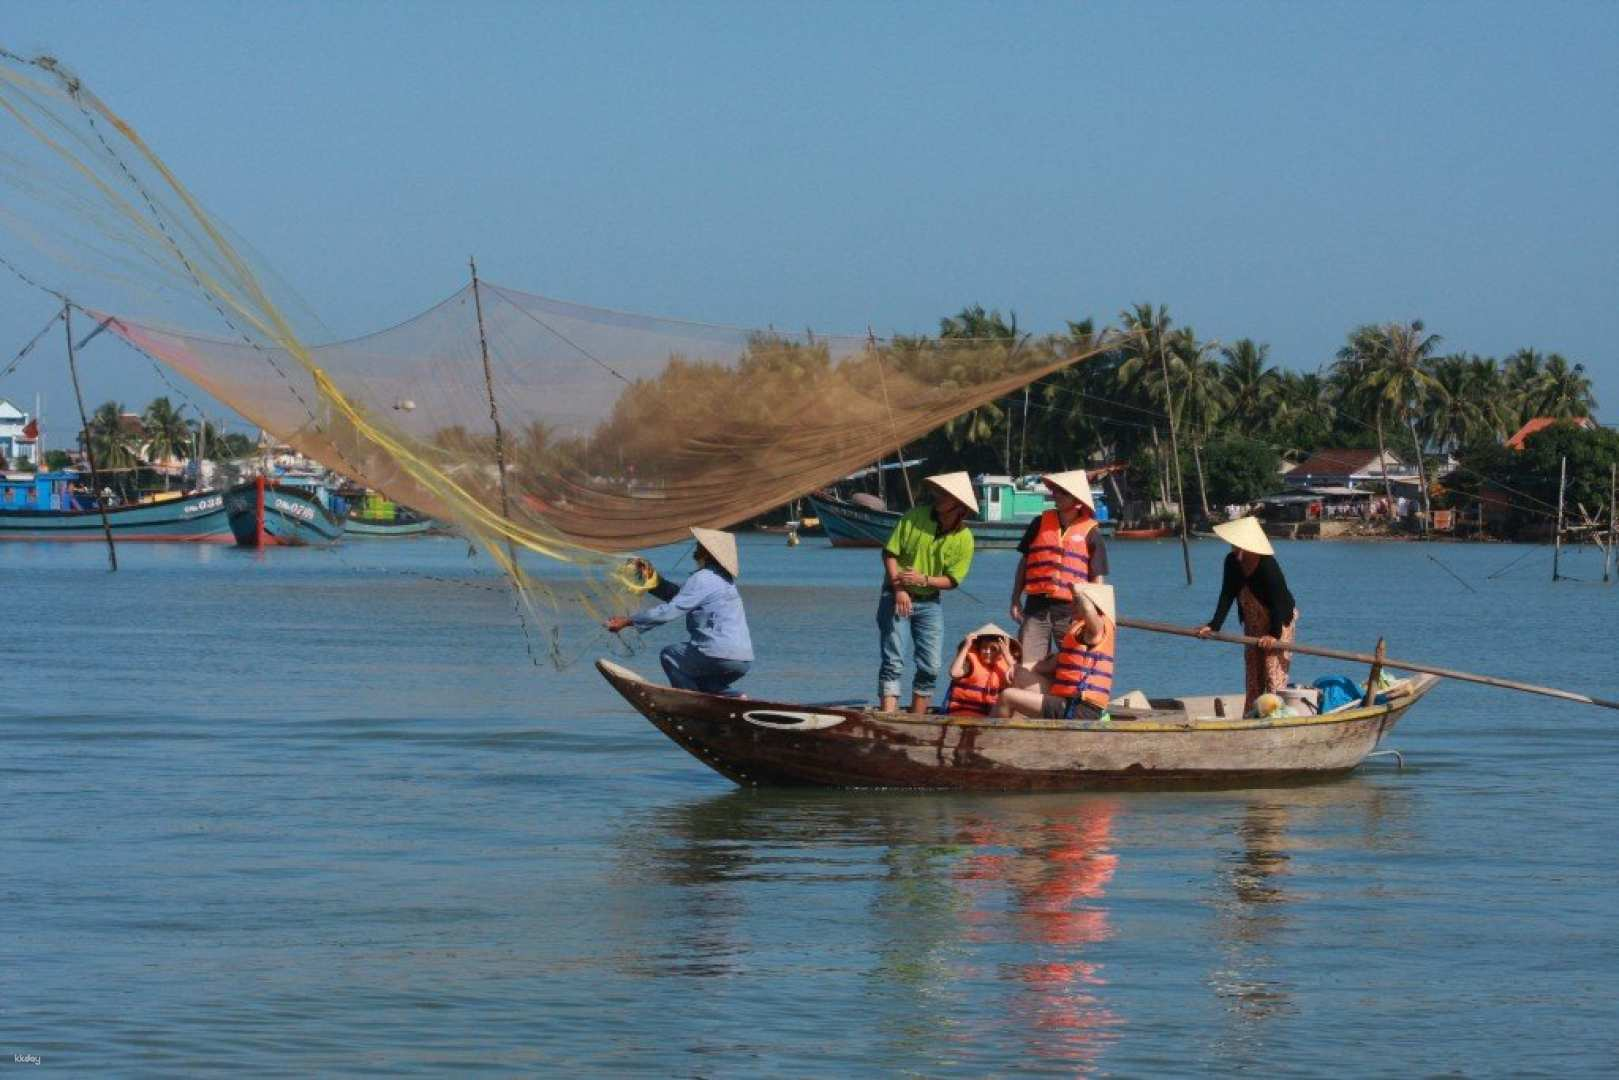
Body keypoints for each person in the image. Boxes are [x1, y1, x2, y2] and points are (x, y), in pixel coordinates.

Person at [604, 526, 753, 695]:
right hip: (742, 660)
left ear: (707, 552)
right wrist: (652, 580)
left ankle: (689, 702)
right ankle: (734, 698)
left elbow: (671, 610)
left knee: (670, 655)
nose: (695, 549)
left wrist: (628, 621)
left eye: (700, 546)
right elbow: (681, 598)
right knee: (703, 684)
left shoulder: (703, 578)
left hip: (717, 654)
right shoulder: (724, 580)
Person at [877, 471, 977, 714]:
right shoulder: (914, 516)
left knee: (930, 666)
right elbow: (890, 554)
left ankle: (918, 718)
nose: (938, 497)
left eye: (945, 495)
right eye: (939, 492)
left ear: (959, 506)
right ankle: (888, 716)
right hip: (896, 596)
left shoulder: (965, 538)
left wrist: (924, 579)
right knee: (893, 661)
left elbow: (952, 580)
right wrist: (900, 589)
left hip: (930, 603)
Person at [1195, 516, 1298, 715]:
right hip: (1253, 622)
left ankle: (1276, 716)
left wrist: (1273, 635)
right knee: (1253, 671)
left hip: (1279, 621)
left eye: (1239, 545)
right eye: (1234, 545)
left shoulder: (1268, 566)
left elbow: (1278, 603)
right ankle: (1252, 715)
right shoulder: (1231, 562)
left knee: (1272, 670)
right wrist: (1214, 625)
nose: (1235, 549)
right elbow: (1227, 594)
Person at [1008, 469, 1108, 664]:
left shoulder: (1091, 533)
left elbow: (1097, 578)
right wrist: (1015, 599)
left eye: (1063, 492)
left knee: (1074, 663)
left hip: (1071, 610)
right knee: (1028, 663)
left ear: (1077, 501)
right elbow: (1025, 563)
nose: (1056, 495)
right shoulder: (1039, 523)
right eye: (1055, 491)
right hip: (1036, 607)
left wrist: (1094, 613)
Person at [993, 583, 1115, 721]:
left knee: (1007, 696)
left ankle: (993, 732)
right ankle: (1017, 726)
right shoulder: (1077, 635)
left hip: (1081, 708)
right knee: (1019, 674)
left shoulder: (1095, 632)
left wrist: (1077, 592)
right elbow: (1046, 666)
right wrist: (1013, 665)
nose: (1071, 605)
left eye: (1077, 602)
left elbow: (1088, 610)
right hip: (1065, 700)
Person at [944, 624, 1019, 717]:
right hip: (963, 716)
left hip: (993, 718)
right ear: (979, 648)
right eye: (984, 647)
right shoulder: (970, 662)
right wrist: (966, 647)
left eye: (993, 649)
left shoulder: (1007, 665)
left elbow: (1022, 682)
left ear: (1001, 652)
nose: (987, 652)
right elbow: (954, 673)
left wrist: (1007, 656)